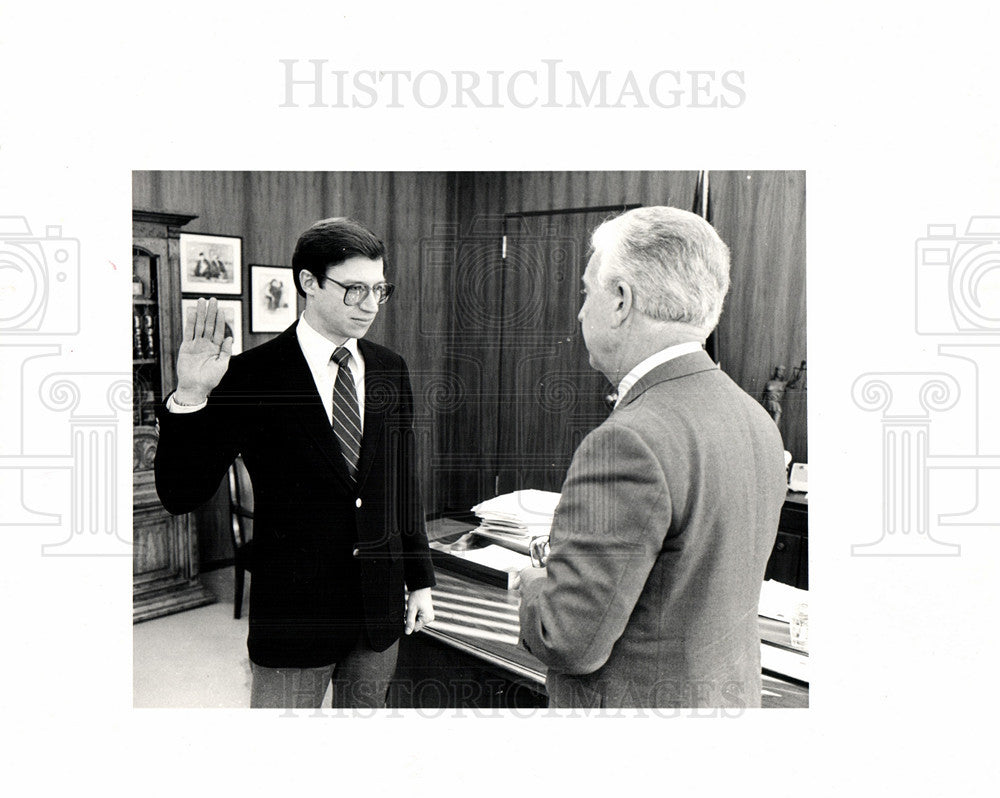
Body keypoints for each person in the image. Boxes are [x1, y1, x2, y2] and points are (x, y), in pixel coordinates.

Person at [154, 217, 435, 709]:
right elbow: (181, 494)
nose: (370, 305)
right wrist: (191, 395)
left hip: (378, 607)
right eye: (353, 290)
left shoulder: (391, 368)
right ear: (308, 282)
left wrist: (421, 580)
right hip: (295, 614)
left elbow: (400, 484)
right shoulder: (251, 376)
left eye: (378, 289)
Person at [516, 206, 787, 709]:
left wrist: (534, 583)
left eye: (586, 291)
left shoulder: (628, 441)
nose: (579, 312)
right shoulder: (756, 418)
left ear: (620, 300)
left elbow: (568, 640)